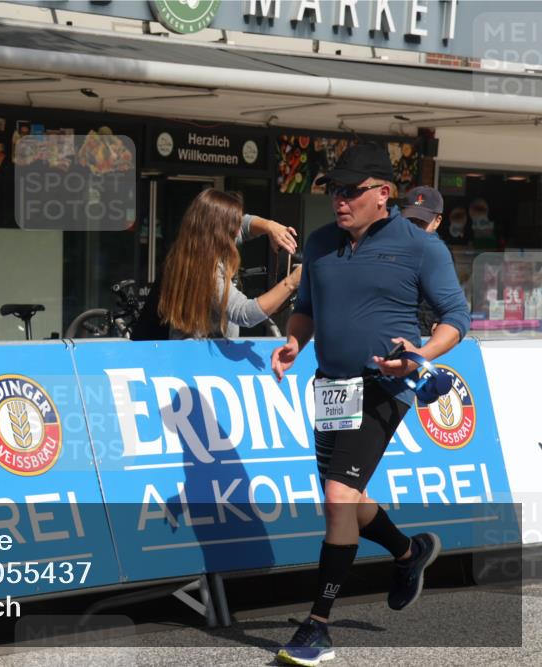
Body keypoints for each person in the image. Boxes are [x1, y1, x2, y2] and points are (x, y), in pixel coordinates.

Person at [270, 144, 470, 667]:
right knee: (348, 497)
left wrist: (420, 355)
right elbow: (306, 311)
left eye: (351, 191)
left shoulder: (421, 247)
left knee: (338, 495)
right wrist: (294, 342)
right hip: (332, 386)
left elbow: (456, 318)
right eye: (335, 191)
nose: (339, 200)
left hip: (385, 385)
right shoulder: (318, 244)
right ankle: (409, 552)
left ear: (383, 194)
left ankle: (317, 626)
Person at [135, 189, 301, 340]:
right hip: (201, 362)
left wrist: (270, 226)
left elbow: (245, 225)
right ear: (219, 230)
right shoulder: (207, 269)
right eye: (233, 225)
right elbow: (244, 314)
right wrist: (291, 282)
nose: (237, 232)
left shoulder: (193, 250)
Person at [400, 186, 445, 336]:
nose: (415, 227)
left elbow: (445, 299)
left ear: (437, 221)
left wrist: (440, 321)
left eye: (421, 222)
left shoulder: (438, 254)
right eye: (410, 220)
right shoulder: (392, 246)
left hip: (422, 335)